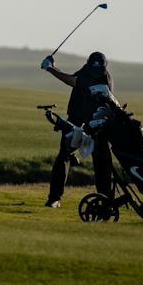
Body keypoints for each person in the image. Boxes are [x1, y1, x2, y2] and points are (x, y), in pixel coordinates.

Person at [39, 50, 114, 209]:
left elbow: (72, 81)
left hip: (97, 124)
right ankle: (54, 199)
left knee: (102, 163)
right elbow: (73, 78)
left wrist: (50, 68)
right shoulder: (87, 72)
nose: (95, 72)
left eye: (97, 69)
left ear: (103, 68)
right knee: (64, 155)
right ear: (88, 64)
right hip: (76, 121)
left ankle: (106, 200)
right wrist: (53, 67)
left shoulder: (104, 79)